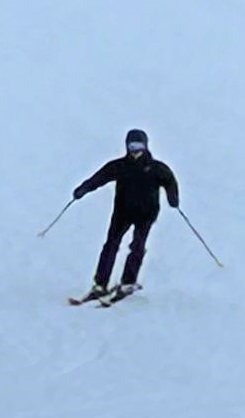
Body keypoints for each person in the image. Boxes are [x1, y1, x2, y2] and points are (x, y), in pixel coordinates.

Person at [72, 128, 179, 300]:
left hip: (146, 213)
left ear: (145, 146)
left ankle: (128, 281)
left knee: (137, 246)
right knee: (111, 245)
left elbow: (170, 182)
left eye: (139, 145)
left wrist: (173, 198)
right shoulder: (119, 166)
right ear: (127, 146)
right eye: (132, 145)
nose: (135, 149)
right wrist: (83, 189)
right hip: (123, 211)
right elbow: (99, 178)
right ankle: (101, 283)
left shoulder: (156, 168)